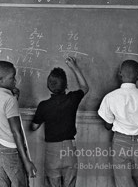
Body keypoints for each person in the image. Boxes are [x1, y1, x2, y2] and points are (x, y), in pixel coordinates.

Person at [98, 60, 138, 187]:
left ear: (120, 74)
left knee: (123, 182)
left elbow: (108, 125)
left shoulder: (110, 97)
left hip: (120, 141)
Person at [30, 56, 89, 187]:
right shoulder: (72, 99)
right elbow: (85, 87)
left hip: (52, 152)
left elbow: (33, 127)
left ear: (48, 85)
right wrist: (74, 67)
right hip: (70, 149)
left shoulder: (44, 106)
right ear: (66, 85)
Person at [0, 60, 37, 187]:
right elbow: (16, 132)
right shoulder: (9, 100)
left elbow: (3, 115)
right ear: (1, 80)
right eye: (12, 77)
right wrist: (26, 161)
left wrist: (15, 98)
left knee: (2, 184)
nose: (15, 80)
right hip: (10, 150)